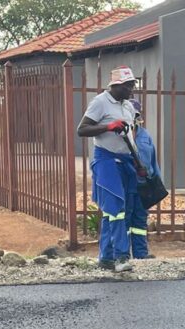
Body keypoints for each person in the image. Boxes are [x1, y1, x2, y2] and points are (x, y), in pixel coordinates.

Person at [77, 66, 140, 272]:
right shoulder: (100, 102)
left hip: (126, 160)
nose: (132, 90)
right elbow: (82, 129)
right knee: (116, 209)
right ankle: (121, 257)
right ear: (116, 85)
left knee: (117, 210)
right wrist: (108, 126)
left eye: (133, 85)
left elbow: (131, 136)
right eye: (129, 86)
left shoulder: (128, 106)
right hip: (106, 160)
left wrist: (138, 162)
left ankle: (105, 257)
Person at [127, 99, 160, 260]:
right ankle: (122, 254)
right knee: (125, 219)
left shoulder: (144, 135)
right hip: (126, 185)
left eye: (136, 114)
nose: (134, 117)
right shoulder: (120, 135)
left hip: (144, 185)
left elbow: (153, 159)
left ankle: (141, 254)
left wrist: (156, 181)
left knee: (140, 221)